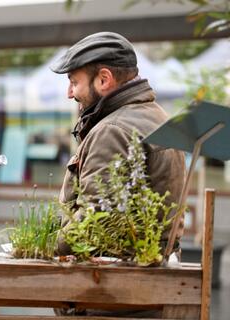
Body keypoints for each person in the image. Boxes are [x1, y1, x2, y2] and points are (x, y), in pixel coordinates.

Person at [50, 32, 185, 316]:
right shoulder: (156, 115)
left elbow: (96, 225)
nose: (69, 93)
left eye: (74, 82)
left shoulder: (113, 130)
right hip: (148, 296)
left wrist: (44, 244)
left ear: (104, 79)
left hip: (110, 298)